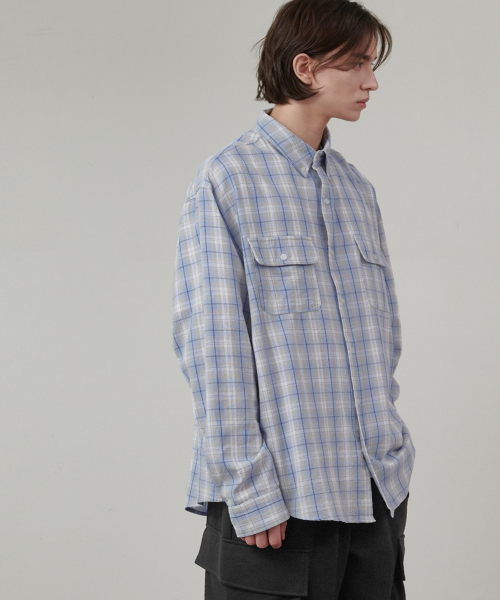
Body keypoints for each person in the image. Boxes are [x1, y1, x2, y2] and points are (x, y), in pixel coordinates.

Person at [171, 0, 415, 598]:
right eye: (357, 64)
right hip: (277, 509)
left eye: (373, 64)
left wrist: (394, 456)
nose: (372, 81)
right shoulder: (227, 180)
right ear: (306, 68)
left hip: (374, 499)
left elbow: (383, 339)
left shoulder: (356, 190)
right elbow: (213, 348)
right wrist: (249, 490)